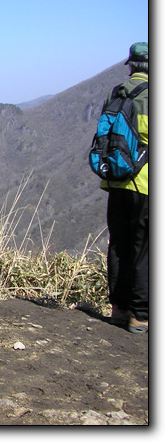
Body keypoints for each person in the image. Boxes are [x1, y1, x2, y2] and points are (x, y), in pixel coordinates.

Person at [103, 42, 149, 333]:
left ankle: (119, 309)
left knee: (118, 244)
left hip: (116, 180)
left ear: (131, 65)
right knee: (144, 248)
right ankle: (141, 315)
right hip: (145, 183)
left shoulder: (117, 92)